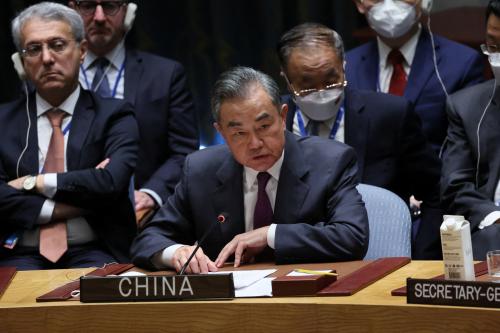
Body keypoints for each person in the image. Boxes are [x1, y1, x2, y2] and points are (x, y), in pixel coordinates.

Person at [132, 66, 369, 273]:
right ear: (222, 132)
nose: (255, 144)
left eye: (264, 126)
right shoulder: (199, 171)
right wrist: (174, 252)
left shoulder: (330, 161)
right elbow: (148, 239)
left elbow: (352, 237)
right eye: (239, 133)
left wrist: (269, 235)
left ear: (283, 116)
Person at [277, 23, 442, 259]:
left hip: (378, 255)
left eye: (331, 79)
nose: (322, 91)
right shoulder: (272, 124)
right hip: (296, 257)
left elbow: (435, 191)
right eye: (307, 85)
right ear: (286, 79)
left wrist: (422, 258)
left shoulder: (390, 116)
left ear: (344, 67)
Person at [0, 2, 139, 270]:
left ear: (82, 50)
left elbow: (111, 182)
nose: (47, 58)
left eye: (57, 45)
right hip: (16, 252)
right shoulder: (3, 121)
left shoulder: (113, 114)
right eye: (34, 49)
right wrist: (81, 203)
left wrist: (32, 182)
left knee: (103, 303)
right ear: (22, 61)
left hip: (96, 248)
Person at [69, 0, 199, 213]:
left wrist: (150, 193)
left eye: (110, 6)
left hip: (142, 213)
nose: (99, 17)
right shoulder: (49, 80)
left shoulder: (165, 75)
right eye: (88, 6)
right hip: (71, 210)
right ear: (72, 10)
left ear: (127, 11)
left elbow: (184, 152)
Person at [347, 0, 484, 153]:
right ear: (359, 3)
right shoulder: (346, 67)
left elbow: (467, 150)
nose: (390, 5)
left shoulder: (462, 64)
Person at [441, 0, 500, 260]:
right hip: (493, 231)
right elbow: (455, 186)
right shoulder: (467, 106)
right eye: (494, 46)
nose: (497, 58)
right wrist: (495, 217)